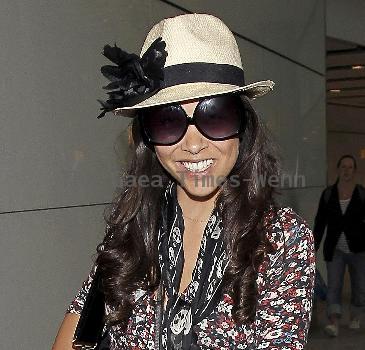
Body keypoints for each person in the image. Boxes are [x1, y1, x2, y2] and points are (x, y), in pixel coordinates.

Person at [52, 13, 315, 350]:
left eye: (214, 115)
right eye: (167, 121)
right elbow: (76, 336)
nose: (192, 144)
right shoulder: (133, 228)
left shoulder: (283, 240)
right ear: (147, 137)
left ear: (243, 125)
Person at [313, 154, 365, 337]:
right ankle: (334, 322)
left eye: (350, 167)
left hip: (358, 249)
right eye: (343, 166)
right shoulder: (328, 194)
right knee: (334, 285)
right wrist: (314, 246)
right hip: (335, 249)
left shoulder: (361, 193)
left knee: (360, 286)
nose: (346, 170)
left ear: (355, 171)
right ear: (338, 169)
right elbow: (320, 223)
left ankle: (355, 316)